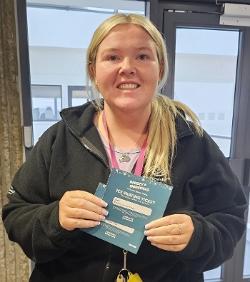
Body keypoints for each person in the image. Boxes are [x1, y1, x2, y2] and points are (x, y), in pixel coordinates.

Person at [2, 13, 247, 282]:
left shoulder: (192, 141)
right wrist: (55, 218)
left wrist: (198, 235)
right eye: (112, 57)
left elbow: (230, 217)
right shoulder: (60, 138)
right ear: (93, 70)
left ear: (160, 67)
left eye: (142, 56)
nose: (127, 67)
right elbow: (17, 214)